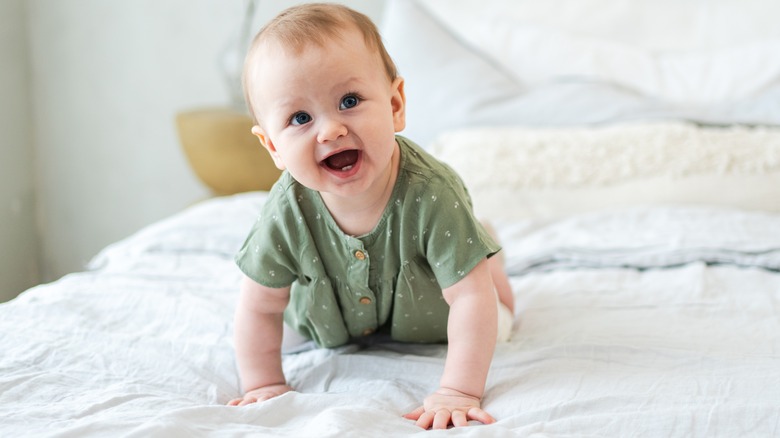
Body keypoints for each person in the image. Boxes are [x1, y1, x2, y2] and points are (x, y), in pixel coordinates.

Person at [226, 3, 515, 430]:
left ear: (395, 104)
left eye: (349, 101)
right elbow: (259, 307)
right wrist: (265, 382)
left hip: (429, 314)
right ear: (272, 147)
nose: (330, 130)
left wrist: (457, 390)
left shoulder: (432, 193)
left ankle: (484, 253)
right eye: (300, 118)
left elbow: (470, 300)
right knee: (279, 334)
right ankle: (473, 246)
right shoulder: (285, 209)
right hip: (327, 319)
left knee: (500, 317)